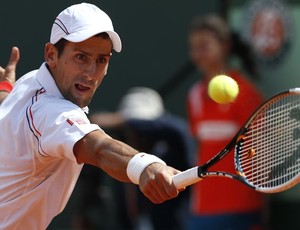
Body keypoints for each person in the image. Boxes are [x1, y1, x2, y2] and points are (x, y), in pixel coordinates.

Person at [0, 3, 181, 229]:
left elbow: (11, 116)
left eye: (101, 60)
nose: (91, 73)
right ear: (51, 54)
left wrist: (6, 90)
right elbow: (99, 148)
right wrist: (145, 166)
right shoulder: (50, 112)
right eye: (81, 57)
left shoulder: (30, 82)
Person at [186, 15, 264, 229]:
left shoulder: (247, 93)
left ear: (225, 47)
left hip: (242, 207)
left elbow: (262, 153)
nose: (197, 54)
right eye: (193, 47)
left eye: (204, 46)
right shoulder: (193, 95)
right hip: (202, 210)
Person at [91, 87, 194, 230]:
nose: (140, 134)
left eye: (146, 127)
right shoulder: (120, 156)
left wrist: (125, 120)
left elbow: (177, 129)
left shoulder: (173, 148)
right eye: (135, 130)